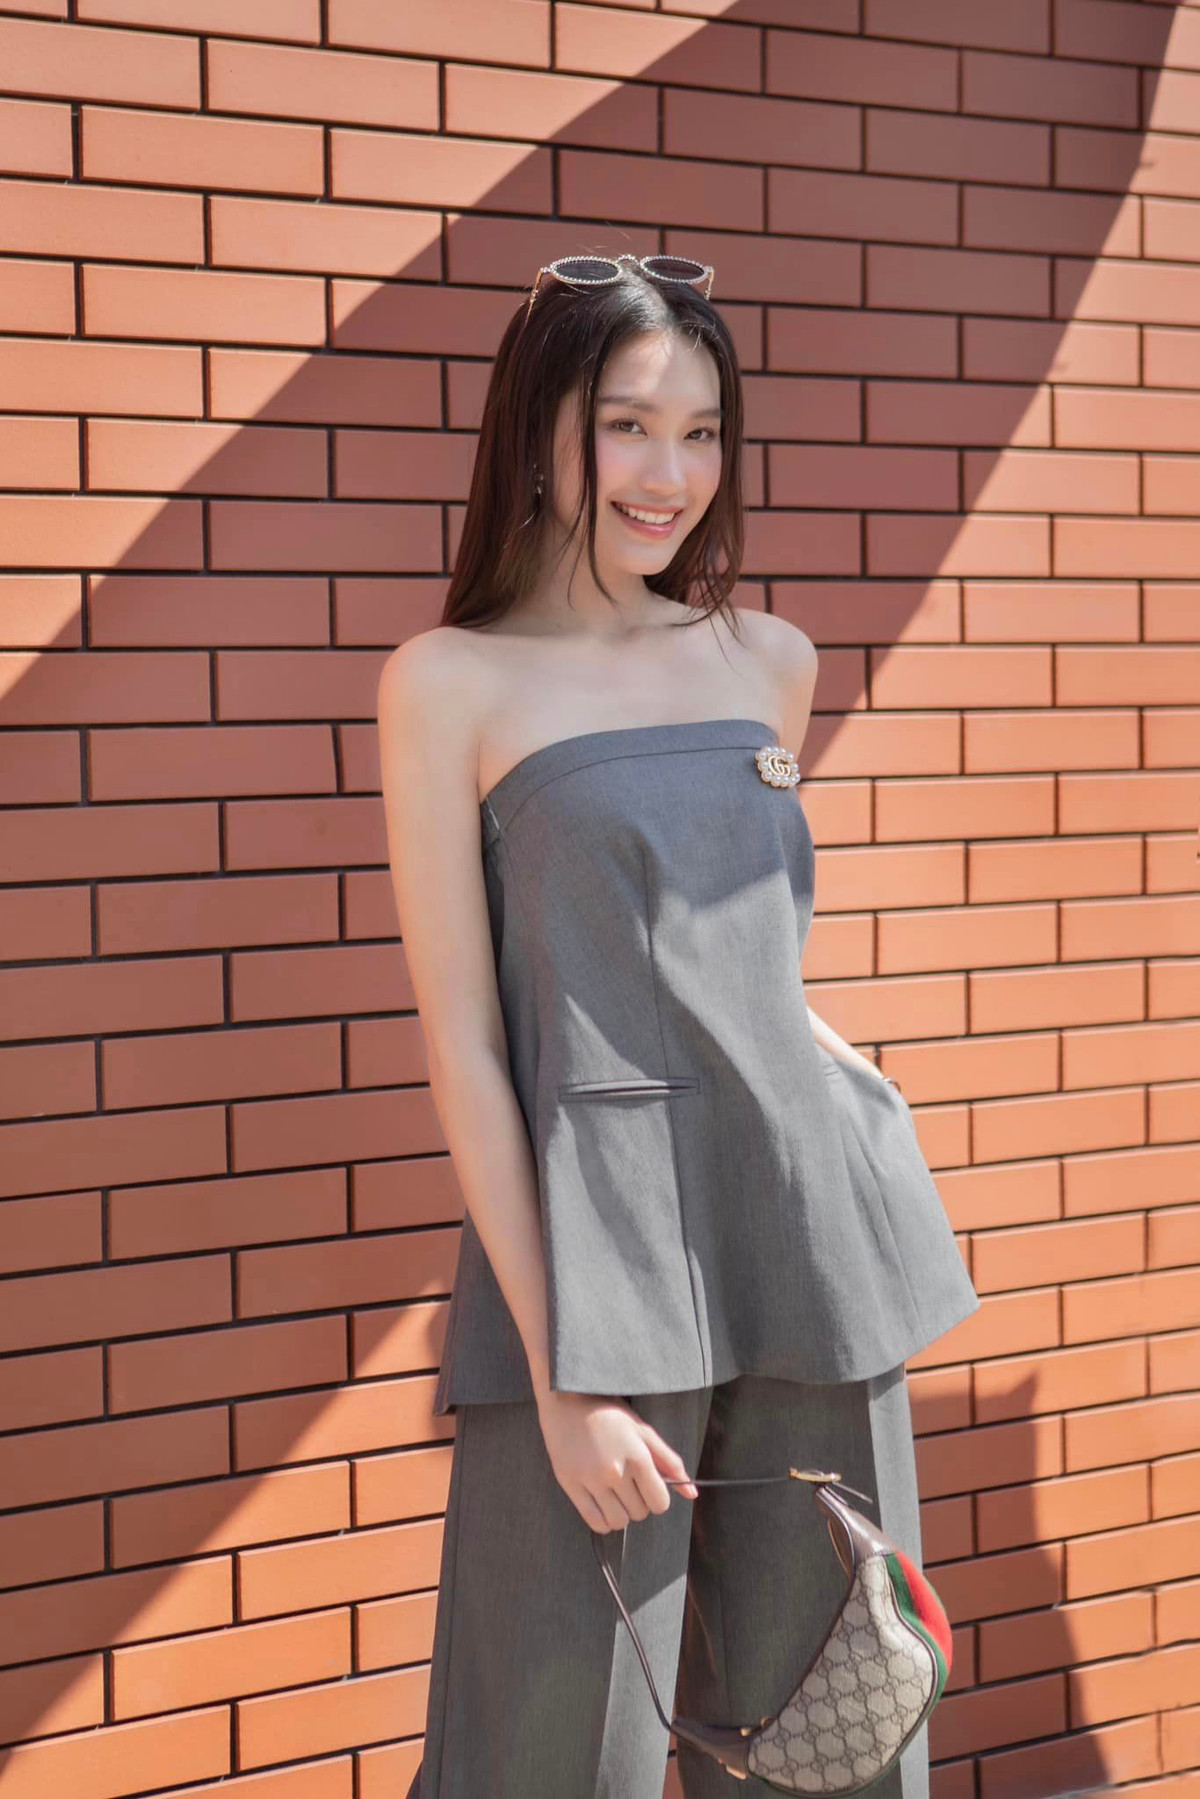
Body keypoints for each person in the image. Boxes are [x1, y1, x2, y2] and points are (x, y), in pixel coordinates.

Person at [376, 251, 981, 1798]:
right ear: (540, 432)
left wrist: (832, 1062)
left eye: (702, 432)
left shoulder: (768, 660)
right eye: (629, 425)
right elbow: (469, 1044)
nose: (671, 474)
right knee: (544, 1750)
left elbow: (736, 949)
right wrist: (562, 1372)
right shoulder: (450, 682)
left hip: (811, 1236)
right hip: (593, 1261)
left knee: (833, 1738)